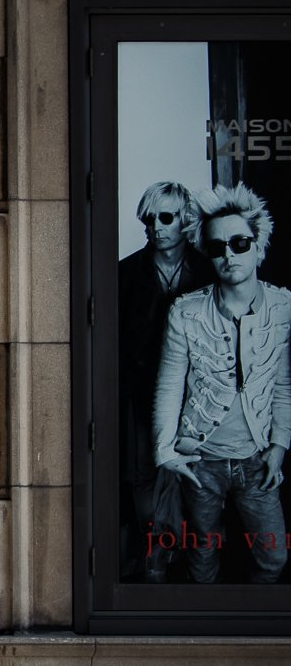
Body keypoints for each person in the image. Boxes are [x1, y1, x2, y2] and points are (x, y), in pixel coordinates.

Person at [153, 183, 291, 583]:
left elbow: (283, 383)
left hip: (257, 458)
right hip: (201, 461)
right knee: (202, 559)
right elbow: (169, 385)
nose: (229, 254)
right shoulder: (187, 311)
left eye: (239, 243)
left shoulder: (282, 306)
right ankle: (203, 637)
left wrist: (279, 446)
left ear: (258, 243)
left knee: (274, 558)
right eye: (217, 247)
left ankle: (254, 637)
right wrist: (167, 452)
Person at [118, 183, 211, 580]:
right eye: (149, 218)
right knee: (143, 475)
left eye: (166, 217)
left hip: (200, 399)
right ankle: (154, 551)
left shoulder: (208, 270)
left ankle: (188, 561)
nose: (156, 226)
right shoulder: (124, 274)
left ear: (185, 221)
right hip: (142, 396)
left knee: (198, 480)